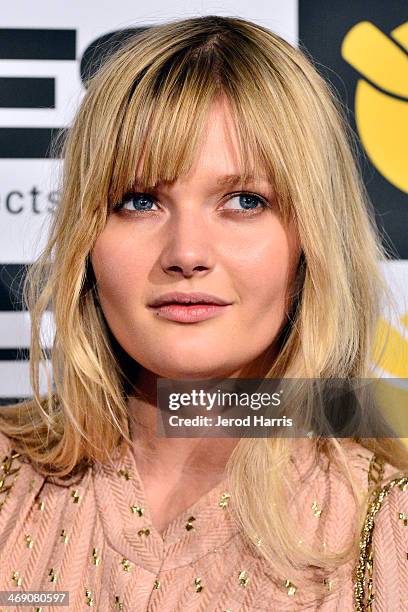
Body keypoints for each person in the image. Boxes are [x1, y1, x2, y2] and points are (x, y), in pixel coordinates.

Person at [0, 14, 407, 611]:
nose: (186, 253)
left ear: (310, 239)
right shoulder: (10, 481)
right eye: (139, 200)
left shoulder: (387, 519)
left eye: (245, 201)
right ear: (87, 235)